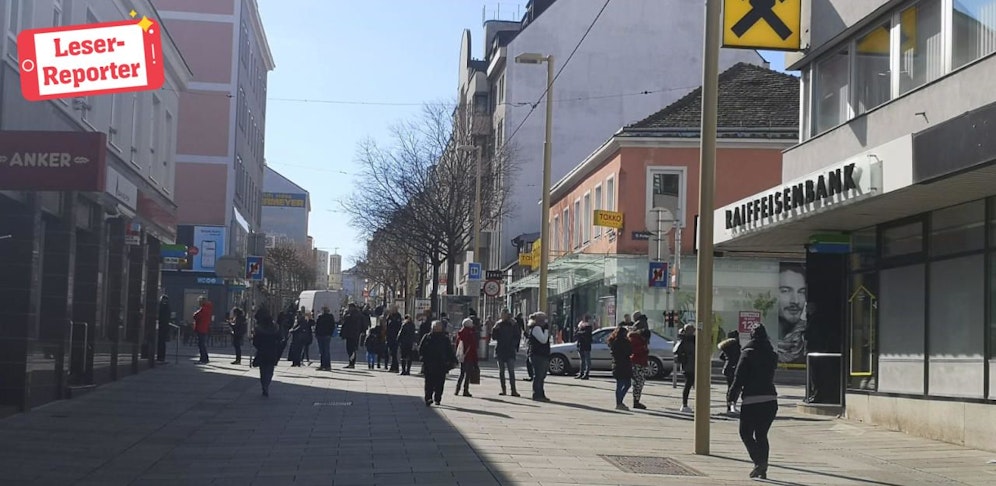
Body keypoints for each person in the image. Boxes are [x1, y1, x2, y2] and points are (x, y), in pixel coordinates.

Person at [728, 324, 779, 480]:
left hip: (752, 400)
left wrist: (731, 396)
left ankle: (759, 463)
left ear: (751, 336)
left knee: (746, 433)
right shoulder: (772, 354)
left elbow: (739, 378)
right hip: (770, 399)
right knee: (762, 435)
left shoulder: (747, 353)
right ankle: (762, 469)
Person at [419, 320, 458, 406]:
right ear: (432, 328)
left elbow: (449, 351)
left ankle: (437, 398)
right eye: (435, 327)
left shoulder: (445, 338)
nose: (436, 329)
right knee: (429, 383)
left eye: (438, 327)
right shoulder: (427, 337)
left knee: (440, 383)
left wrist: (453, 360)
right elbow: (421, 349)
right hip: (429, 364)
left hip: (441, 364)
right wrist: (422, 358)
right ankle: (428, 398)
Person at [776, 263, 807, 364]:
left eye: (801, 292)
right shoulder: (761, 340)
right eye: (785, 291)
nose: (795, 301)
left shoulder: (809, 336)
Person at [251, 305, 283, 397]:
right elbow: (280, 339)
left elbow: (255, 342)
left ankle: (264, 386)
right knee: (270, 370)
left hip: (262, 352)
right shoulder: (275, 328)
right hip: (272, 351)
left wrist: (259, 346)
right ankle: (267, 385)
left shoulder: (259, 329)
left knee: (263, 370)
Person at [492, 310, 520, 396]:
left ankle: (513, 390)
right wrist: (494, 329)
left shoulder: (513, 324)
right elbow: (494, 337)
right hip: (500, 350)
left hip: (510, 350)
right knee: (501, 372)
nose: (502, 316)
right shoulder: (498, 324)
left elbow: (517, 336)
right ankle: (503, 389)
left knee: (511, 371)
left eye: (504, 314)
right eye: (501, 314)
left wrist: (514, 346)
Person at [607, 322, 633, 410]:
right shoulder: (625, 342)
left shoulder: (614, 342)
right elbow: (629, 351)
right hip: (624, 365)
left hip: (617, 365)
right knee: (626, 384)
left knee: (620, 384)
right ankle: (619, 402)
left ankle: (619, 402)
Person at [526, 312, 551, 402]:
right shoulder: (536, 328)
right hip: (537, 355)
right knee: (539, 375)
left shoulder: (540, 328)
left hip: (542, 354)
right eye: (544, 319)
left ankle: (541, 393)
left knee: (542, 375)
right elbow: (543, 340)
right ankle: (537, 394)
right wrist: (547, 330)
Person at [454, 317, 479, 397]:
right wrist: (476, 360)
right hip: (469, 356)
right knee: (467, 374)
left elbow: (457, 345)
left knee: (461, 373)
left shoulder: (460, 333)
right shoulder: (470, 333)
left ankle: (457, 389)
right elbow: (473, 347)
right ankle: (465, 390)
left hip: (462, 356)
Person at [719, 329, 743, 413]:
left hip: (727, 368)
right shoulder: (735, 345)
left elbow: (721, 356)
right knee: (735, 388)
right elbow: (738, 357)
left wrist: (727, 359)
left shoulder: (726, 346)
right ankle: (733, 405)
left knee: (730, 388)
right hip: (733, 368)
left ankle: (729, 407)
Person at [629, 320, 650, 410]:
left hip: (641, 362)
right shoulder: (635, 339)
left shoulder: (640, 339)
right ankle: (636, 401)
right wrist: (644, 349)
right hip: (636, 362)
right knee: (638, 383)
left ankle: (637, 400)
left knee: (640, 383)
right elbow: (634, 351)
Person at [675, 323, 697, 413]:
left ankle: (692, 404)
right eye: (691, 330)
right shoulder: (684, 340)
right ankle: (684, 404)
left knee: (694, 385)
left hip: (693, 364)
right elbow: (677, 352)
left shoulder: (694, 339)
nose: (693, 332)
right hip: (688, 366)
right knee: (688, 385)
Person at [340, 303, 366, 368]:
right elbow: (364, 325)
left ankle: (351, 363)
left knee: (350, 349)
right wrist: (362, 332)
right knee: (352, 348)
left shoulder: (350, 315)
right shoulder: (360, 314)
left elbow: (345, 323)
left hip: (350, 334)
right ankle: (351, 362)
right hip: (356, 334)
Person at [192, 296, 213, 364]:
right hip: (205, 328)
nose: (199, 303)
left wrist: (195, 313)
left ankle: (203, 359)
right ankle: (205, 358)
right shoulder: (208, 308)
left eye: (199, 302)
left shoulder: (203, 309)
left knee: (201, 344)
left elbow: (196, 316)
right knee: (202, 344)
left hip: (201, 328)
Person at [315, 306, 336, 371]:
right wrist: (330, 333)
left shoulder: (320, 316)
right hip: (326, 335)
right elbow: (333, 326)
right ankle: (326, 365)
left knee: (322, 351)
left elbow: (317, 326)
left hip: (322, 335)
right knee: (325, 350)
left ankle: (324, 365)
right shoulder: (330, 317)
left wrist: (316, 334)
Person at [574, 315, 593, 380]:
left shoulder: (589, 326)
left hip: (586, 345)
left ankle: (586, 373)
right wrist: (579, 333)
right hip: (580, 344)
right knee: (582, 360)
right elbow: (576, 333)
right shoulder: (580, 325)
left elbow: (586, 333)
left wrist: (580, 333)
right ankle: (581, 373)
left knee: (587, 360)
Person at [385, 306, 403, 372]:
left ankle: (396, 367)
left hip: (395, 337)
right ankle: (392, 366)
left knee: (394, 352)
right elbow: (387, 325)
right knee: (391, 352)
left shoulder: (398, 316)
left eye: (392, 309)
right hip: (389, 337)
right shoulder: (389, 316)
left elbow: (397, 325)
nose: (391, 310)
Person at [517, 312, 533, 382]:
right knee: (529, 362)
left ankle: (532, 376)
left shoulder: (535, 328)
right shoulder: (534, 328)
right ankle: (532, 376)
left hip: (533, 351)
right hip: (531, 350)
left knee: (530, 363)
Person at [156, 294, 171, 362]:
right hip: (165, 326)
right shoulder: (167, 307)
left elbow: (160, 315)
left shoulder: (162, 306)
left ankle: (160, 356)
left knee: (161, 342)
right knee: (162, 342)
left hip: (162, 326)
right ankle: (161, 357)